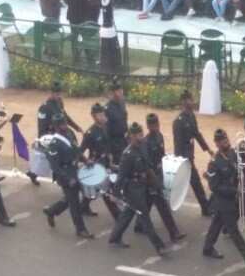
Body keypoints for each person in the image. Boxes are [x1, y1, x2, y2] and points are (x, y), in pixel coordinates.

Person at [108, 122, 170, 255]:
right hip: (132, 189)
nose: (140, 137)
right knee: (144, 216)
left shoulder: (143, 147)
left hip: (143, 185)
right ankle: (159, 246)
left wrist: (157, 184)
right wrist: (115, 194)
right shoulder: (127, 154)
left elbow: (148, 167)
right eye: (137, 135)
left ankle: (115, 237)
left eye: (141, 134)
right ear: (131, 136)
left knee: (128, 213)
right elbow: (121, 176)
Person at [202, 129, 245, 266]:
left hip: (233, 197)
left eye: (226, 139)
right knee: (233, 229)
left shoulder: (233, 153)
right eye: (222, 141)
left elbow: (238, 170)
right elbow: (214, 187)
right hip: (222, 200)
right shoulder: (214, 163)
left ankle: (207, 248)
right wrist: (234, 190)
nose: (225, 142)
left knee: (217, 223)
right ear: (216, 144)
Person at [133, 113, 185, 242]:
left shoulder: (160, 136)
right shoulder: (146, 142)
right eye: (152, 125)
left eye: (156, 124)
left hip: (158, 173)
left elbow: (161, 155)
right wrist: (154, 179)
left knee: (147, 201)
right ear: (148, 126)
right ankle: (174, 232)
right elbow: (146, 163)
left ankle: (139, 224)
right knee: (162, 205)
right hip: (150, 177)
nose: (155, 127)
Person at [42, 113, 95, 239]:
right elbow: (55, 166)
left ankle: (51, 211)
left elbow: (76, 150)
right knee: (74, 203)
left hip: (74, 169)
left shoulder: (69, 134)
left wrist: (85, 160)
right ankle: (81, 230)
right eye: (61, 124)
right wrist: (68, 179)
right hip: (65, 174)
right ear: (56, 126)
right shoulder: (53, 144)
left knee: (71, 198)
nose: (64, 125)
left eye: (65, 123)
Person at [173, 90, 212, 216]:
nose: (191, 102)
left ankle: (205, 208)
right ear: (183, 102)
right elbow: (178, 144)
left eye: (191, 99)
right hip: (184, 159)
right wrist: (184, 160)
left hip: (189, 156)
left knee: (183, 184)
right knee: (194, 183)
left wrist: (207, 149)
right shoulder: (178, 121)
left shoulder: (191, 116)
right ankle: (205, 208)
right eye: (189, 100)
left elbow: (196, 134)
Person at [79, 103, 120, 219]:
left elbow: (107, 144)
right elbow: (80, 151)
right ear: (93, 116)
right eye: (99, 115)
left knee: (96, 189)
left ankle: (83, 207)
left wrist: (110, 156)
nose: (102, 117)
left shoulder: (105, 127)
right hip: (96, 165)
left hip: (106, 163)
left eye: (103, 114)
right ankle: (118, 216)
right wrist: (86, 161)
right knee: (106, 190)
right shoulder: (90, 133)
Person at [105, 82, 128, 166]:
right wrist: (109, 151)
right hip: (114, 142)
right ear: (112, 93)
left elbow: (124, 119)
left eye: (121, 90)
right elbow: (105, 131)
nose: (121, 92)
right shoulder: (107, 109)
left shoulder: (122, 103)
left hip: (124, 140)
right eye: (118, 91)